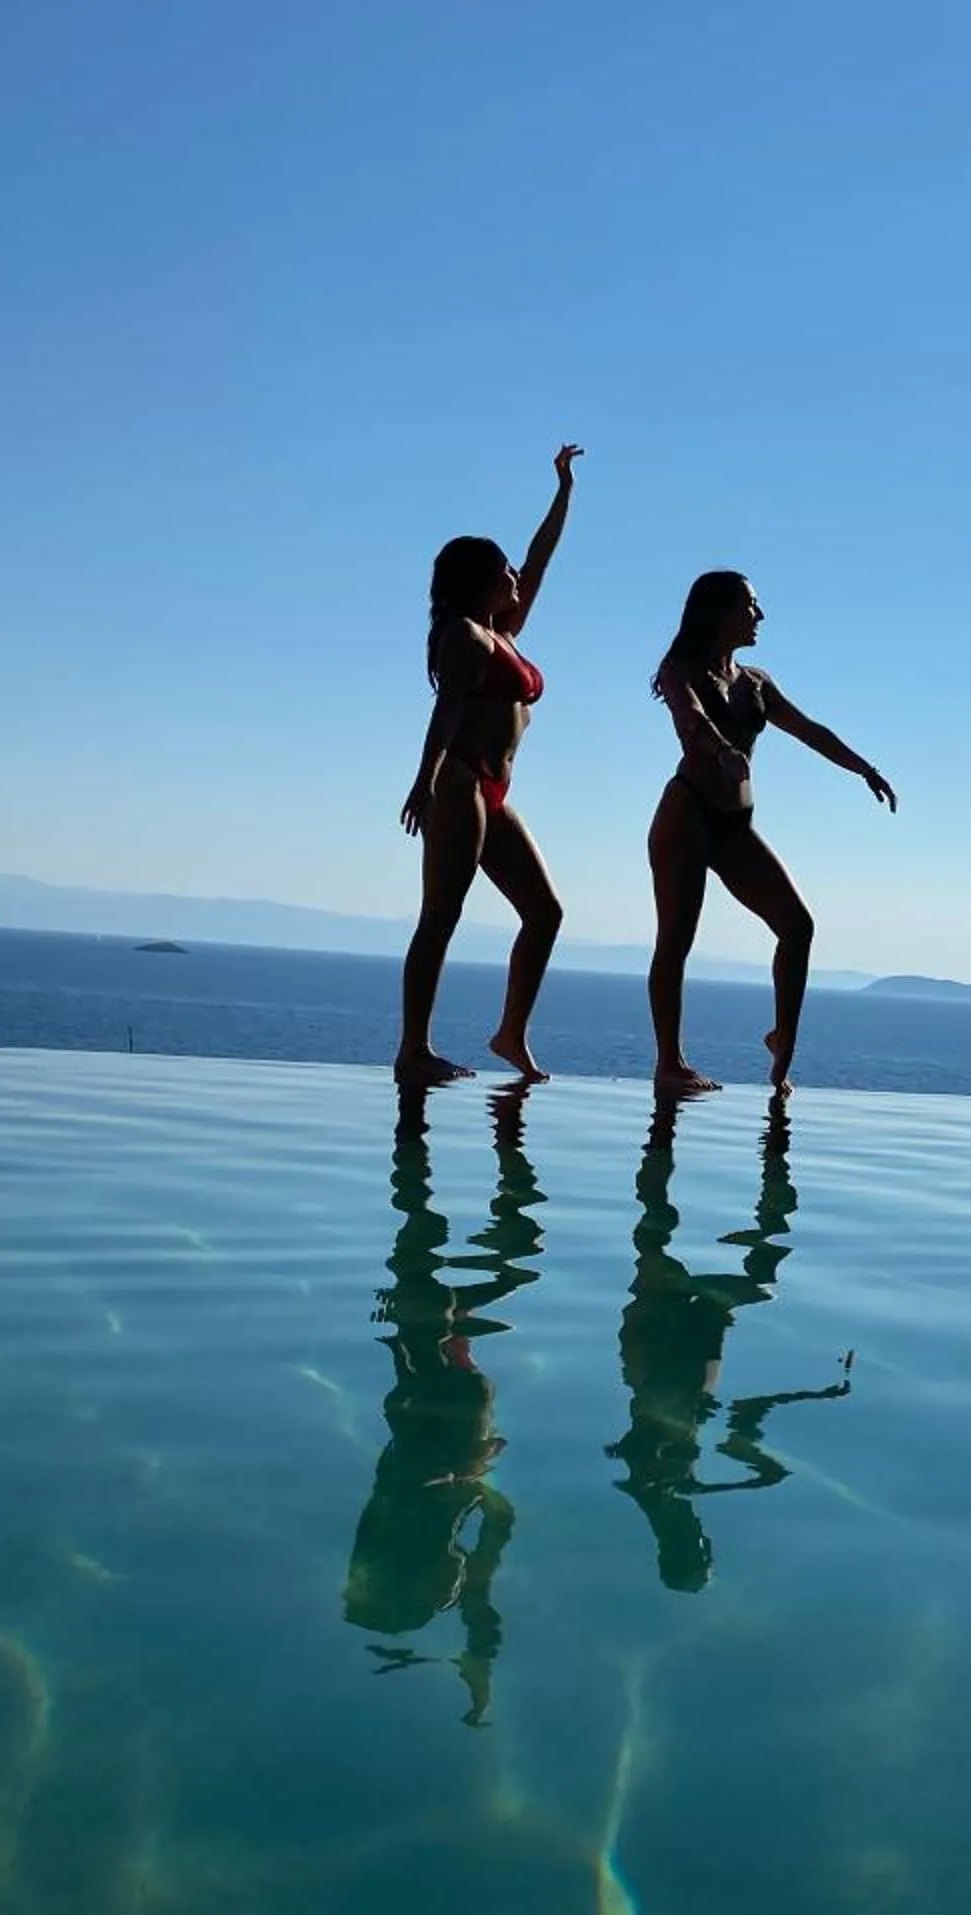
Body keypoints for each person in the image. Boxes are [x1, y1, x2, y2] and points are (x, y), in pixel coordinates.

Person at [646, 570, 897, 1093]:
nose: (759, 616)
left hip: (735, 826)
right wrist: (722, 752)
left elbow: (809, 730)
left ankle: (782, 1046)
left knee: (797, 926)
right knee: (676, 940)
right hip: (687, 815)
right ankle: (670, 1062)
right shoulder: (681, 669)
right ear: (719, 612)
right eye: (751, 605)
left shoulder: (755, 681)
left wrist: (863, 769)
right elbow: (691, 721)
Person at [395, 445, 582, 1131]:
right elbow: (446, 709)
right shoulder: (465, 636)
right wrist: (423, 782)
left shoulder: (499, 630)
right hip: (460, 781)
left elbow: (540, 560)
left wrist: (563, 492)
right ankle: (413, 1050)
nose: (515, 576)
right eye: (502, 570)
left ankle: (509, 1034)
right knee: (440, 916)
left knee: (545, 911)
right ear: (477, 581)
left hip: (491, 788)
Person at [346, 1084, 544, 1724]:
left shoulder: (410, 1517)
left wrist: (469, 1480)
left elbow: (478, 1558)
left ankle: (436, 1136)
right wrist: (476, 1682)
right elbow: (481, 1607)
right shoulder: (447, 1551)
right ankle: (489, 1136)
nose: (455, 1593)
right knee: (488, 1270)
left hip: (431, 1414)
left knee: (438, 1276)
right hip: (445, 1415)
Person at [606, 1090, 855, 1590]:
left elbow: (653, 1452)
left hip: (659, 1347)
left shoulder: (655, 1488)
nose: (700, 1537)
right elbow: (746, 1416)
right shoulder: (675, 1487)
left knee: (656, 1237)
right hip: (687, 1345)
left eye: (695, 1548)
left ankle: (665, 1130)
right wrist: (769, 1453)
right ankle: (748, 1151)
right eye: (703, 1546)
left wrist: (753, 1468)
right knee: (732, 1272)